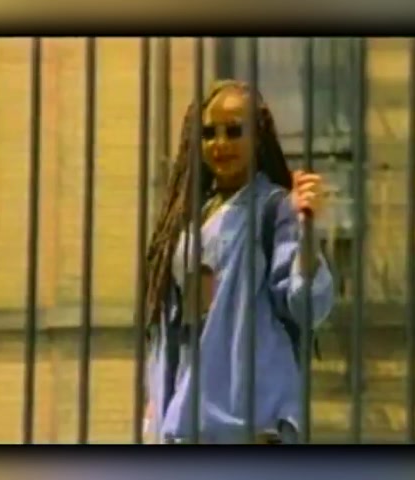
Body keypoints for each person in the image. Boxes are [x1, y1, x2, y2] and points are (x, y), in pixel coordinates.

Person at [143, 79, 335, 444]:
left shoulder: (274, 208)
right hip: (186, 424)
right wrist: (155, 402)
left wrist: (308, 230)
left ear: (258, 138)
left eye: (234, 131)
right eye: (209, 133)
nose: (220, 144)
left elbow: (306, 303)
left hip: (252, 424)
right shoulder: (187, 220)